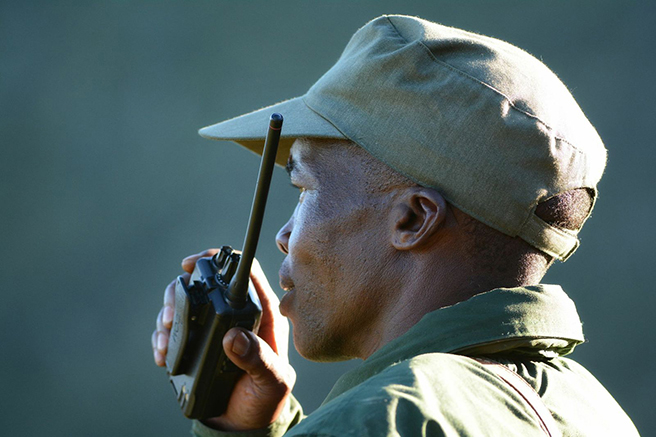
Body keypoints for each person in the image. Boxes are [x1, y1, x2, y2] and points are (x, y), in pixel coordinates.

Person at [152, 15, 639, 436]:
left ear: (412, 219)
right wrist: (255, 425)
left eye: (303, 189)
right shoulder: (599, 413)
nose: (283, 235)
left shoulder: (377, 421)